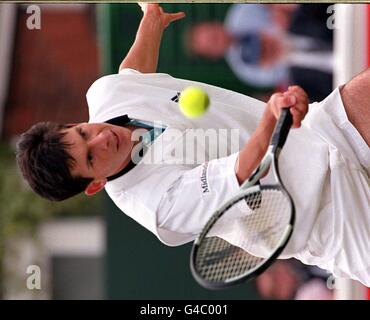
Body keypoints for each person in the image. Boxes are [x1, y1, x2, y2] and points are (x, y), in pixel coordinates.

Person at [16, 4, 370, 286]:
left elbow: (132, 75)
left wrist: (152, 17)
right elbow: (238, 174)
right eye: (92, 157)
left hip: (320, 134)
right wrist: (270, 119)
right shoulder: (156, 204)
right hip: (328, 220)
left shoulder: (106, 94)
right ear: (95, 184)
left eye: (82, 132)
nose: (100, 138)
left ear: (73, 123)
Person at [188, 4, 334, 101]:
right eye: (213, 43)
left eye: (212, 34)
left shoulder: (304, 18)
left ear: (264, 34)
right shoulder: (302, 80)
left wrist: (283, 11)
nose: (268, 49)